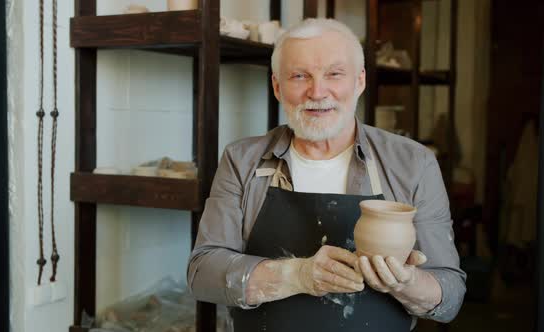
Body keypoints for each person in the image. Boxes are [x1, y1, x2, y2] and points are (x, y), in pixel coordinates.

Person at [187, 18, 466, 331]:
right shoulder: (243, 160)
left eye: (334, 74)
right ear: (277, 86)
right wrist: (296, 276)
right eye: (299, 76)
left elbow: (450, 296)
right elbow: (202, 274)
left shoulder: (413, 164)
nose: (317, 92)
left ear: (359, 81)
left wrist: (405, 283)